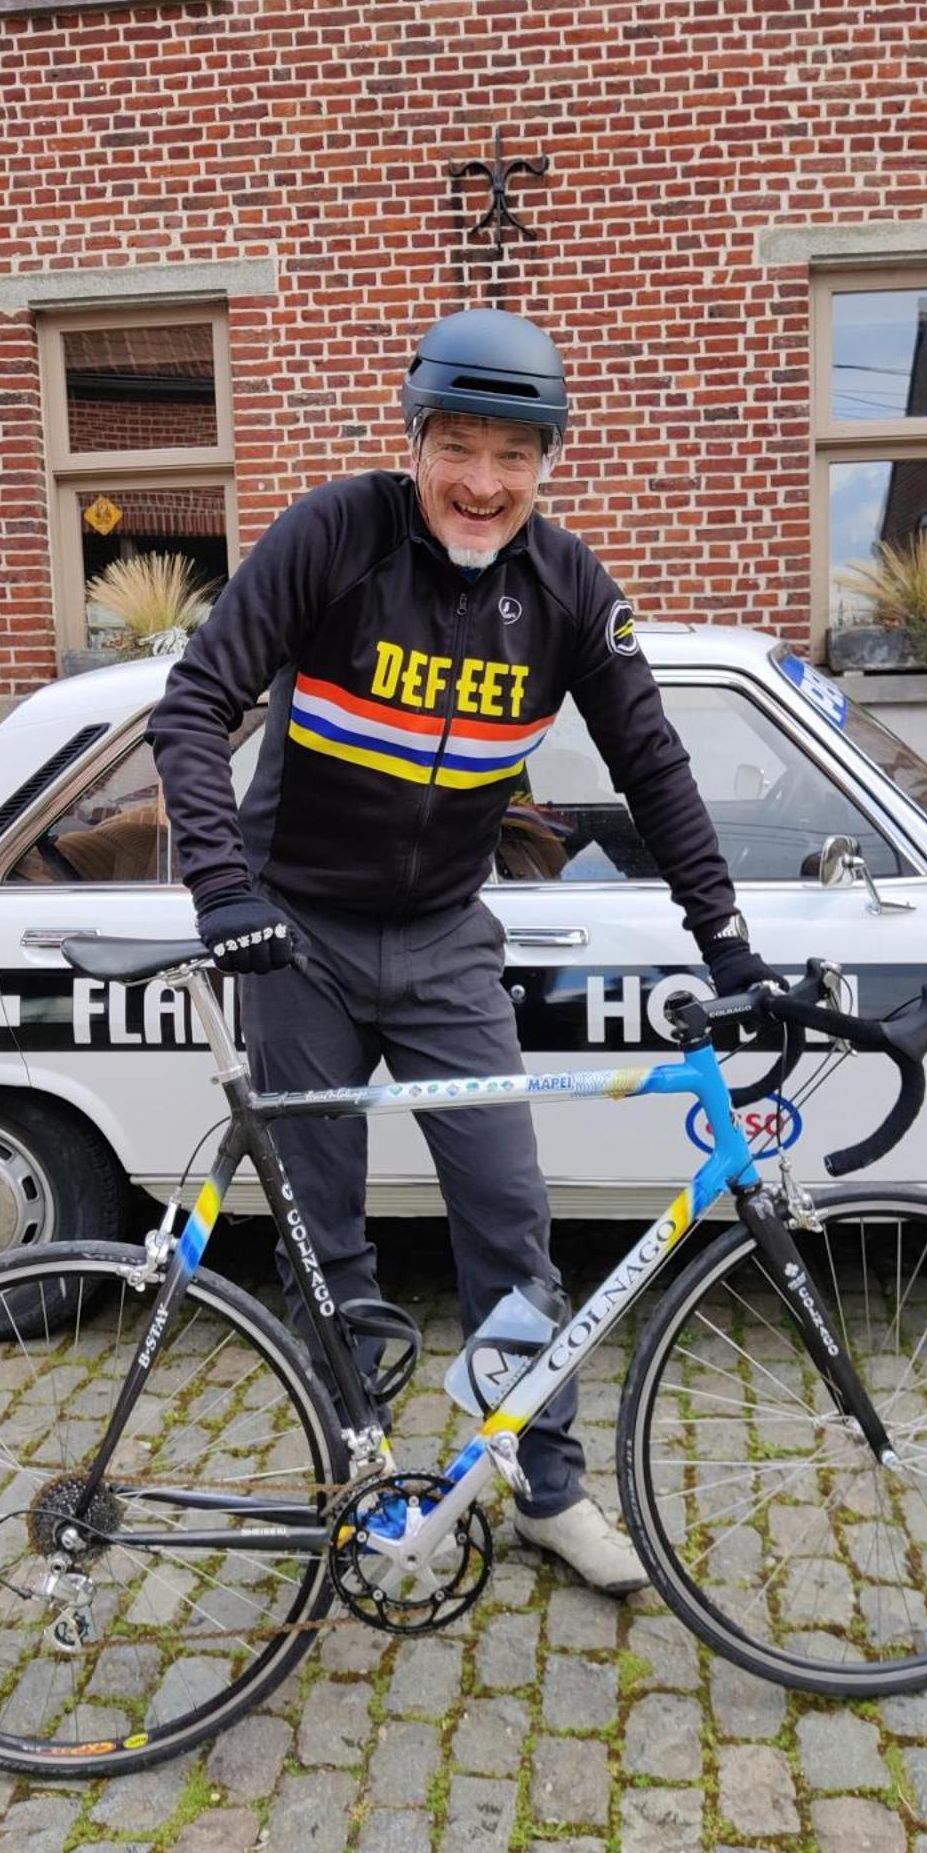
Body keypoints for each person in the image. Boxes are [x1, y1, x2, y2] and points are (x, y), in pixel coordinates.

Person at [149, 309, 780, 1595]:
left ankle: (545, 1484)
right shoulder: (337, 534)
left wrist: (726, 939)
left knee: (510, 1219)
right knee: (325, 1235)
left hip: (445, 936)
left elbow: (653, 765)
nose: (484, 481)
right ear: (415, 439)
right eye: (459, 446)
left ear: (548, 461)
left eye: (514, 453)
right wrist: (223, 889)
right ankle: (355, 1480)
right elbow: (194, 705)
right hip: (297, 938)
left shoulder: (566, 588)